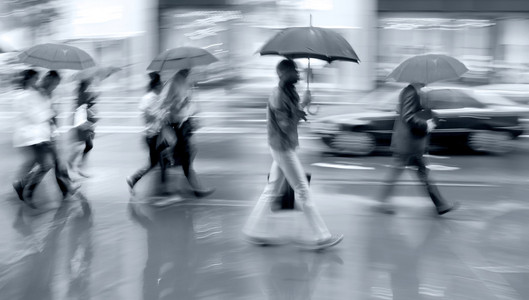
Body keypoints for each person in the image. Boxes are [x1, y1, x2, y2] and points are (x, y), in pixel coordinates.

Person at [242, 59, 343, 250]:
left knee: (271, 190)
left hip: (284, 145)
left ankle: (253, 230)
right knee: (303, 190)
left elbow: (293, 117)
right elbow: (286, 125)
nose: (298, 74)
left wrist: (302, 107)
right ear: (283, 74)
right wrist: (302, 107)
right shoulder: (278, 96)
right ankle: (321, 237)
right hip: (282, 148)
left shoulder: (289, 93)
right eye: (294, 71)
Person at [376, 82, 458, 215]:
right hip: (407, 143)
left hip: (412, 143)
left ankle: (441, 204)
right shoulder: (410, 92)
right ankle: (381, 203)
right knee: (405, 173)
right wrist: (425, 125)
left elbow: (414, 111)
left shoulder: (416, 91)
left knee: (419, 173)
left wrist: (430, 113)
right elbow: (408, 116)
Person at [162, 69, 214, 198]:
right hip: (176, 124)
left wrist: (191, 108)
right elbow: (165, 104)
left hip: (185, 122)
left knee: (190, 152)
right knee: (186, 156)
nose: (189, 70)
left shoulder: (186, 81)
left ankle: (169, 163)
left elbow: (189, 102)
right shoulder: (172, 83)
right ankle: (197, 189)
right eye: (187, 68)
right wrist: (179, 104)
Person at [12, 69, 55, 207]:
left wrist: (45, 99)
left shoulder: (32, 94)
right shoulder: (24, 96)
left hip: (35, 136)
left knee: (38, 163)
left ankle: (22, 185)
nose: (38, 81)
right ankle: (26, 189)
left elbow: (39, 111)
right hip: (31, 136)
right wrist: (50, 112)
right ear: (29, 79)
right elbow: (36, 116)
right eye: (35, 79)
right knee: (45, 165)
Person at [127, 72, 168, 193]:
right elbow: (151, 116)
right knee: (157, 162)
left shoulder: (151, 97)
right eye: (161, 85)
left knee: (160, 161)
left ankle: (136, 179)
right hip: (153, 135)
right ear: (156, 85)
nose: (162, 87)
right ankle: (135, 178)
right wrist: (163, 112)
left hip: (154, 134)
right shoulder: (151, 98)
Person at [69, 79, 98, 178]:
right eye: (88, 83)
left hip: (82, 121)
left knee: (86, 145)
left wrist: (93, 98)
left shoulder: (83, 93)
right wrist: (88, 124)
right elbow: (82, 107)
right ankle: (76, 165)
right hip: (81, 122)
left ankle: (75, 164)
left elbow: (87, 105)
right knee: (84, 145)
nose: (90, 84)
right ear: (85, 84)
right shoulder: (82, 94)